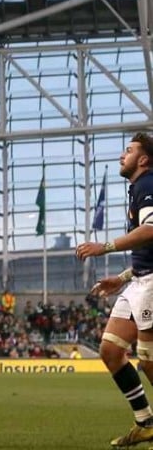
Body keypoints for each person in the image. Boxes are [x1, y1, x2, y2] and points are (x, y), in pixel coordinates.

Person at [77, 132, 153, 448]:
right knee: (110, 351)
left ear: (144, 159)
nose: (123, 155)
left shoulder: (148, 185)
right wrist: (121, 278)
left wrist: (104, 247)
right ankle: (146, 423)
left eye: (129, 150)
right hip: (138, 281)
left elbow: (151, 230)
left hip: (151, 283)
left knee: (148, 360)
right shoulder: (137, 188)